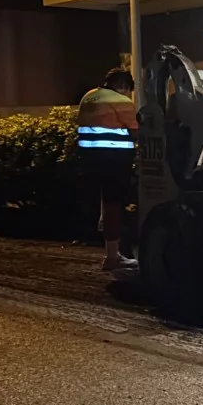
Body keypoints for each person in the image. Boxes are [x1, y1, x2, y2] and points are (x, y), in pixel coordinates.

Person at [76, 67, 139, 273]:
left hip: (90, 159)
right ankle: (113, 257)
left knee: (106, 203)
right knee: (114, 204)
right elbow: (137, 132)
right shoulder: (120, 101)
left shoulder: (89, 96)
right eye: (128, 90)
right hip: (114, 158)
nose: (128, 95)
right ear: (123, 85)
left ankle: (112, 252)